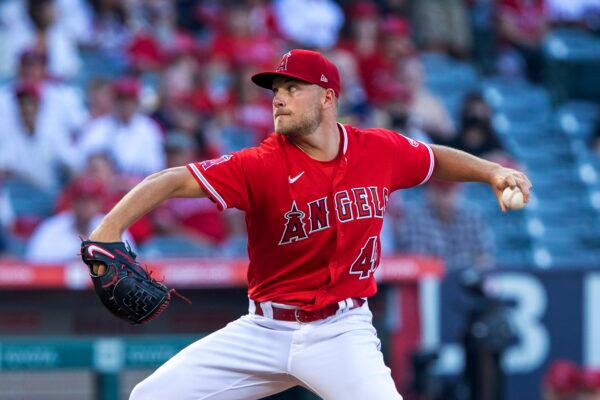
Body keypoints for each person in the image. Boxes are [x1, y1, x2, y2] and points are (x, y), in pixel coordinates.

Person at [86, 49, 531, 399]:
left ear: (327, 97)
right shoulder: (260, 163)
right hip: (263, 330)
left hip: (341, 332)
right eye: (274, 89)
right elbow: (168, 180)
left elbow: (435, 159)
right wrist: (108, 230)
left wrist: (491, 172)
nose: (277, 97)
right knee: (151, 396)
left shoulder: (379, 150)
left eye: (292, 87)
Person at [393, 180, 496, 271]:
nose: (444, 196)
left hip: (467, 283)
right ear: (429, 190)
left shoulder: (473, 215)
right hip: (428, 284)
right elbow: (417, 261)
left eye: (449, 190)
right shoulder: (413, 216)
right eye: (440, 189)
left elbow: (485, 257)